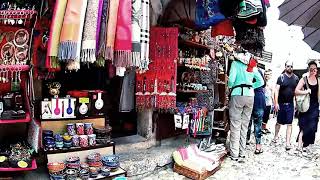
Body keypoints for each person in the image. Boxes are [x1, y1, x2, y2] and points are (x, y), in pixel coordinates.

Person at [228, 55, 264, 161]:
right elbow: (261, 82)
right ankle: (242, 152)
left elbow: (231, 80)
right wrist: (250, 86)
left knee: (235, 124)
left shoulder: (235, 64)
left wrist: (233, 86)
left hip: (237, 94)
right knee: (244, 125)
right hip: (250, 96)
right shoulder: (252, 65)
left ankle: (234, 153)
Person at [273, 60, 299, 150]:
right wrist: (276, 103)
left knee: (290, 123)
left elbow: (296, 91)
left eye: (291, 66)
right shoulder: (281, 77)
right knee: (279, 122)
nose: (290, 68)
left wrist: (297, 103)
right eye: (288, 66)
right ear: (285, 67)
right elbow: (276, 90)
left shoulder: (296, 78)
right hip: (281, 104)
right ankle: (275, 136)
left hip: (290, 104)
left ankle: (287, 142)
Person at [295, 61, 319, 151]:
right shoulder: (304, 79)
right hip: (305, 105)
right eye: (311, 68)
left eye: (315, 68)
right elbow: (296, 91)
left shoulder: (318, 80)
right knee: (303, 126)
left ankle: (306, 143)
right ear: (309, 69)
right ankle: (299, 146)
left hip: (315, 106)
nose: (313, 70)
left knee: (312, 126)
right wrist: (306, 91)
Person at [246, 68, 266, 154]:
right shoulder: (259, 71)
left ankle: (245, 140)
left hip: (249, 97)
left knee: (247, 122)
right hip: (259, 99)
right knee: (258, 124)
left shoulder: (247, 70)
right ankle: (258, 146)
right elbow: (263, 84)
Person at [262, 69, 273, 134]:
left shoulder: (271, 83)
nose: (266, 76)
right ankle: (261, 128)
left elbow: (273, 92)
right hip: (263, 101)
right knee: (262, 115)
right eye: (265, 74)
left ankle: (264, 127)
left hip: (269, 101)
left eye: (268, 74)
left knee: (266, 116)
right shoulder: (262, 82)